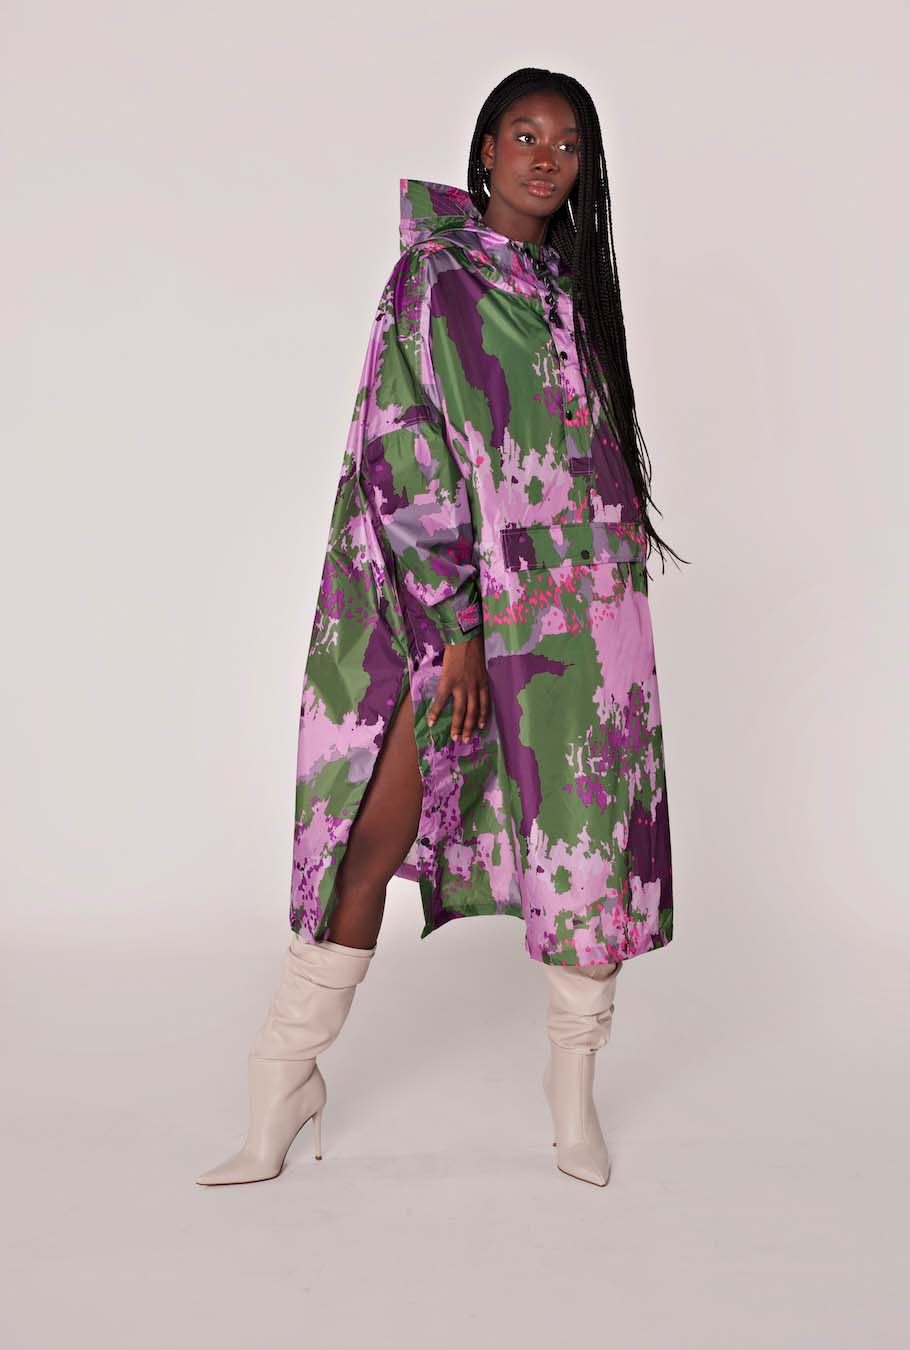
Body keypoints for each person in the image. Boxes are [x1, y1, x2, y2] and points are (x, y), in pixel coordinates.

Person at [196, 67, 687, 1191]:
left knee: (586, 845)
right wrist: (457, 630)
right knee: (370, 833)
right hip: (457, 612)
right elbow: (405, 452)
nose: (544, 157)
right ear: (485, 151)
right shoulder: (433, 278)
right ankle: (282, 1082)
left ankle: (573, 1096)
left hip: (585, 612)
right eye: (524, 134)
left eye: (567, 143)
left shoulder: (574, 292)